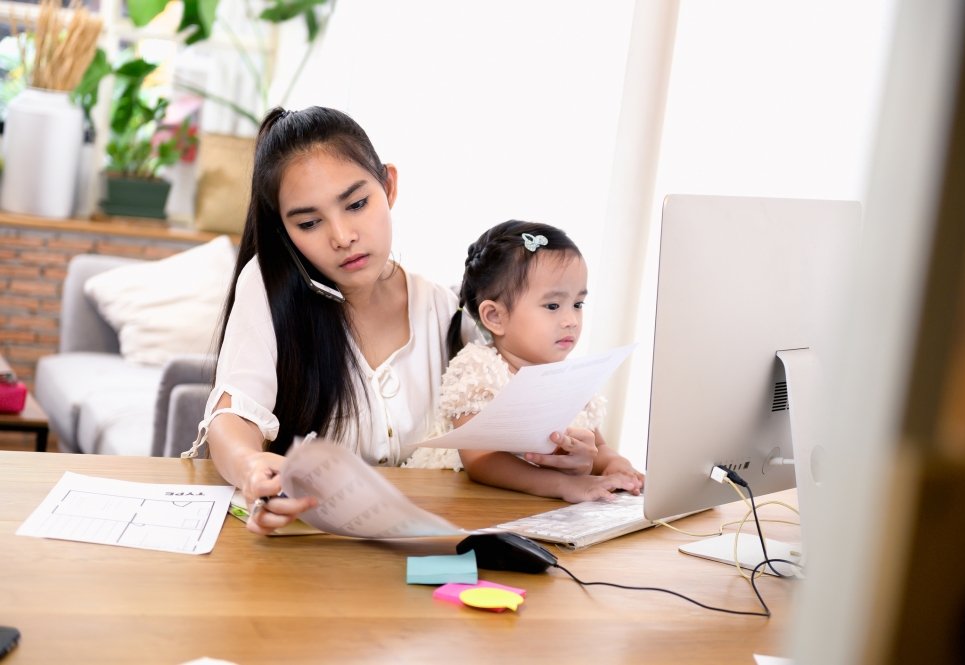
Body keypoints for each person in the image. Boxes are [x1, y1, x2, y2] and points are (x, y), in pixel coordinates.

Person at [183, 106, 481, 534]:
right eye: (309, 223)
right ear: (285, 232)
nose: (342, 237)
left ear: (389, 186)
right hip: (308, 552)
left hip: (426, 548)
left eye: (357, 204)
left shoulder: (442, 308)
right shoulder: (267, 287)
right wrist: (250, 466)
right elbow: (234, 416)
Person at [406, 221, 645, 502]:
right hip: (458, 504)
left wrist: (614, 463)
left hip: (529, 507)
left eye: (578, 304)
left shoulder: (570, 377)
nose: (571, 320)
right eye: (553, 306)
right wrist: (563, 485)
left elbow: (598, 447)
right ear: (495, 317)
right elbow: (480, 461)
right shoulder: (479, 369)